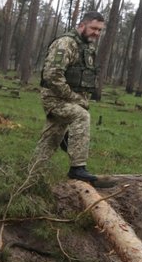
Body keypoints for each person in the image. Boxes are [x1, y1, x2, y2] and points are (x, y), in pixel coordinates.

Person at [29, 10, 106, 184]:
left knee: (50, 139)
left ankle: (31, 177)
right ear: (82, 25)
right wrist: (76, 99)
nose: (97, 33)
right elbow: (53, 76)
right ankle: (77, 168)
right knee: (81, 116)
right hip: (55, 98)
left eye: (100, 30)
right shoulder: (65, 44)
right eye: (94, 28)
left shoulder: (86, 46)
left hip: (68, 99)